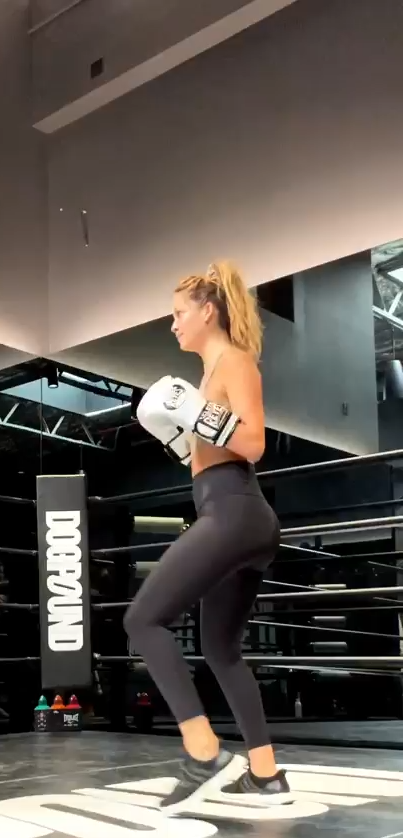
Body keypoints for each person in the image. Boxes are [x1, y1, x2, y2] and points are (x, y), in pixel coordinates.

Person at [125, 261, 292, 809]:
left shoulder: (234, 360)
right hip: (231, 510)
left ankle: (203, 752)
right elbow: (209, 452)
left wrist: (199, 414)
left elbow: (254, 442)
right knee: (220, 648)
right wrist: (184, 434)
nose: (173, 323)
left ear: (208, 311)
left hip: (234, 511)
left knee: (142, 620)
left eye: (179, 312)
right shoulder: (206, 376)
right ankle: (265, 775)